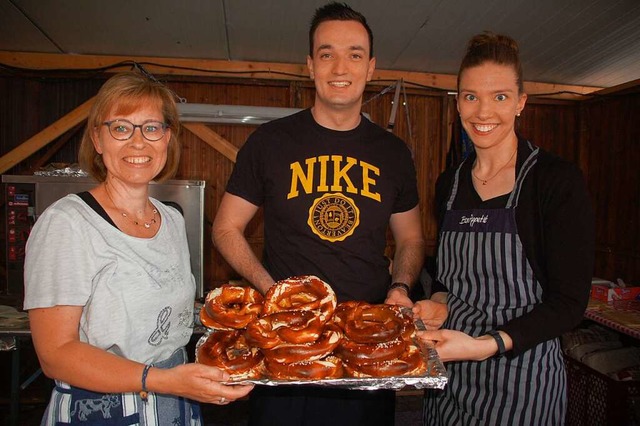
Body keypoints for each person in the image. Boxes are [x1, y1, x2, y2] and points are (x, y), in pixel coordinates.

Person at [211, 2, 425, 425]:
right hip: (286, 346)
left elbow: (412, 238)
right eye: (327, 54)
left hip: (364, 343)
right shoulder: (270, 142)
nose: (340, 66)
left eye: (355, 54)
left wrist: (400, 287)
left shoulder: (393, 153)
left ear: (371, 68)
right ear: (310, 66)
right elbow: (225, 228)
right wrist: (273, 293)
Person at [23, 71, 253, 425]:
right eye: (120, 128)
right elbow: (55, 354)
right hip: (102, 410)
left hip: (173, 404)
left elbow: (163, 316)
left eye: (151, 128)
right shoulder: (67, 223)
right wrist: (159, 380)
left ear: (167, 138)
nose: (138, 142)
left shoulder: (171, 220)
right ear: (97, 139)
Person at [414, 32, 595, 425]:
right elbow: (446, 275)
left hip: (523, 378)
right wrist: (440, 302)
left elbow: (568, 304)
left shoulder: (555, 181)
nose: (483, 112)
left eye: (499, 96)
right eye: (470, 96)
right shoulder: (450, 182)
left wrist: (485, 345)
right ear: (458, 101)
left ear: (520, 103)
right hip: (449, 373)